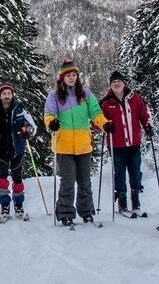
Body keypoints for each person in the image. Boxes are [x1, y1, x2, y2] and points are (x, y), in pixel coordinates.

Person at [44, 60, 113, 226]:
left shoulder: (86, 94)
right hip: (64, 146)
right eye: (68, 75)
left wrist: (104, 124)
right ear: (62, 77)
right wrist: (51, 122)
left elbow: (96, 112)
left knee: (84, 181)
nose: (71, 77)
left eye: (74, 74)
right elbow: (49, 113)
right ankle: (65, 213)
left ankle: (87, 212)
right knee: (67, 181)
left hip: (83, 145)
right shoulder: (54, 95)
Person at [0, 83, 37, 223]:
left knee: (17, 178)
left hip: (16, 148)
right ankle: (4, 207)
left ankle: (19, 206)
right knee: (2, 179)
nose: (7, 96)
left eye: (9, 94)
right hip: (0, 148)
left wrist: (27, 132)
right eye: (4, 94)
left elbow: (32, 126)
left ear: (12, 95)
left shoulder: (20, 109)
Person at [99, 70, 152, 215]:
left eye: (119, 81)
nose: (117, 84)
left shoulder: (135, 98)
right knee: (120, 173)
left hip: (134, 143)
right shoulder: (105, 102)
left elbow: (144, 115)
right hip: (116, 145)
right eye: (114, 82)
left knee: (135, 172)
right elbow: (97, 121)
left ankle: (136, 200)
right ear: (110, 85)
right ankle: (122, 202)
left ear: (124, 83)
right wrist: (103, 126)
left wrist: (148, 126)